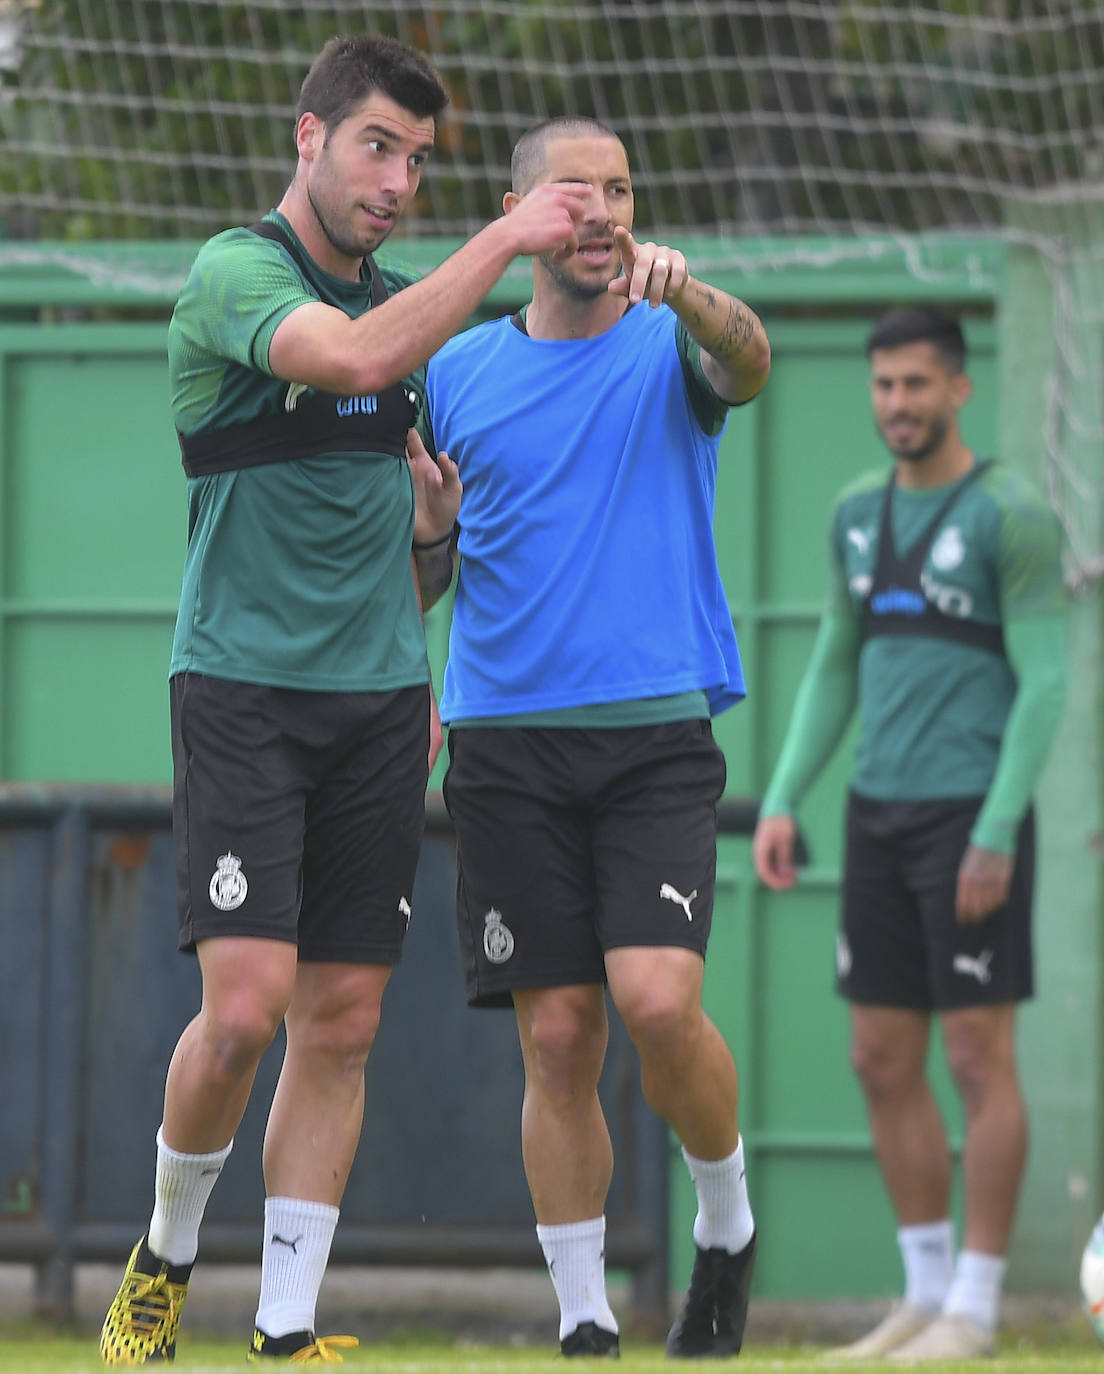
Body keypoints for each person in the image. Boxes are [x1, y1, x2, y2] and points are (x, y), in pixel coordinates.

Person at [98, 34, 592, 1368]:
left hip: (381, 703)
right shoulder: (238, 273)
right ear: (307, 136)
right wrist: (508, 241)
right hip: (243, 691)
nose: (398, 181)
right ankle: (167, 1252)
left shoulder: (408, 326)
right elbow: (357, 359)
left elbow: (415, 565)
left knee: (346, 1019)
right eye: (378, 146)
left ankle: (285, 1324)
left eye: (422, 162)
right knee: (246, 1007)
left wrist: (431, 538)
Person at [423, 116, 771, 1358]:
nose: (606, 214)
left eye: (621, 189)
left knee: (657, 1000)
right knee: (559, 1034)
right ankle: (584, 1324)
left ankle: (724, 1229)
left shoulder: (677, 341)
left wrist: (704, 298)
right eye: (577, 194)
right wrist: (425, 534)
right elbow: (424, 582)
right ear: (521, 215)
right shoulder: (456, 372)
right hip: (506, 746)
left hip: (654, 734)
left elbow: (752, 363)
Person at [751, 307, 1069, 1361]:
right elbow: (837, 666)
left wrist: (997, 828)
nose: (897, 404)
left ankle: (977, 1308)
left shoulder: (1011, 517)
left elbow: (1046, 684)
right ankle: (922, 1294)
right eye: (884, 385)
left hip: (969, 820)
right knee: (880, 1058)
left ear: (958, 390)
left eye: (917, 385)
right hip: (875, 817)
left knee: (980, 1055)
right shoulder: (852, 514)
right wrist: (787, 795)